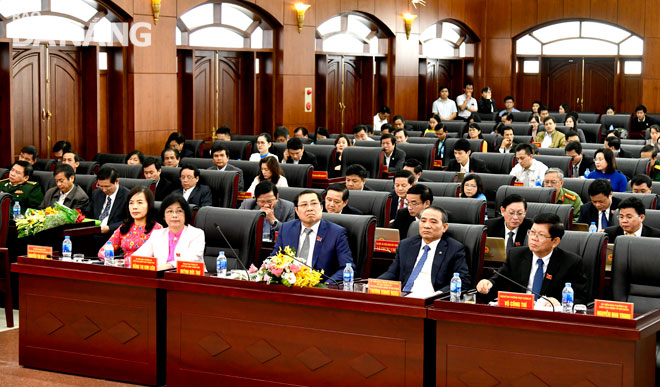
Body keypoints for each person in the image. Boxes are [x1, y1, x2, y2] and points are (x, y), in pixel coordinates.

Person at [477, 213, 588, 305]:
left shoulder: (571, 263)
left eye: (540, 235)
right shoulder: (516, 255)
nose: (533, 238)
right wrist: (487, 283)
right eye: (532, 232)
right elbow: (498, 280)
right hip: (519, 314)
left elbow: (581, 300)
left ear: (555, 241)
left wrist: (559, 302)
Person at [379, 206, 471, 295]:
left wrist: (438, 295)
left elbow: (463, 281)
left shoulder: (454, 249)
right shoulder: (405, 245)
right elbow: (392, 273)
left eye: (433, 222)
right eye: (423, 221)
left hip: (430, 299)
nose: (426, 226)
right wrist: (375, 284)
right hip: (404, 296)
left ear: (444, 227)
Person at [271, 191, 354, 282]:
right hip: (290, 286)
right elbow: (274, 258)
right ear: (296, 210)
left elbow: (347, 267)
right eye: (304, 205)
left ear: (321, 207)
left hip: (319, 288)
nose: (309, 208)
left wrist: (327, 285)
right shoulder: (286, 229)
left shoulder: (336, 233)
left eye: (314, 204)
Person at [133, 194, 205, 270]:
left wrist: (169, 265)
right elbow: (138, 256)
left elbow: (192, 258)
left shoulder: (196, 234)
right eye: (169, 211)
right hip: (161, 277)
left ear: (185, 214)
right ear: (164, 216)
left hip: (190, 277)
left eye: (179, 211)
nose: (174, 215)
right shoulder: (157, 235)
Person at [97, 186, 162, 262]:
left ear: (149, 205)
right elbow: (103, 251)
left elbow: (160, 258)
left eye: (139, 203)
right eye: (131, 203)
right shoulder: (125, 227)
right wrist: (110, 261)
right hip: (123, 269)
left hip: (145, 269)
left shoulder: (158, 229)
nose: (134, 207)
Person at [86, 167, 129, 240]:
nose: (104, 190)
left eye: (107, 186)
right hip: (94, 232)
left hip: (113, 234)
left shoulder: (127, 196)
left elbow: (129, 220)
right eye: (100, 186)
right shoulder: (97, 193)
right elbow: (88, 213)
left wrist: (110, 228)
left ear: (116, 181)